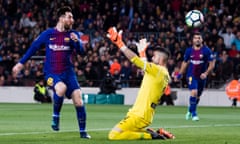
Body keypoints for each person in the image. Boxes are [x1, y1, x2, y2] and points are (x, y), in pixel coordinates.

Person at [12, 6, 91, 139]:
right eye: (69, 17)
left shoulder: (74, 35)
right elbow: (33, 48)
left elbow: (82, 53)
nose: (72, 20)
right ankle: (56, 116)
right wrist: (21, 63)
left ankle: (83, 132)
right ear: (61, 18)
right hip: (51, 73)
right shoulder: (48, 34)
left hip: (68, 73)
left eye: (72, 17)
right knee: (61, 88)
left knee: (78, 100)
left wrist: (77, 43)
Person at [107, 27, 175, 140]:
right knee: (127, 132)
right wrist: (142, 53)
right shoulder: (160, 73)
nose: (152, 57)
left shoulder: (158, 70)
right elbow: (145, 68)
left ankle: (150, 135)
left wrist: (120, 44)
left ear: (162, 59)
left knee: (113, 135)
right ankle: (157, 132)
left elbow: (136, 61)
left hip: (139, 115)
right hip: (143, 114)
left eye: (155, 56)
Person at [176, 32, 215, 121]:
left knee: (198, 96)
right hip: (191, 75)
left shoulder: (206, 50)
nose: (197, 39)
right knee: (194, 92)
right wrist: (180, 74)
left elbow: (212, 64)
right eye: (195, 38)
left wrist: (205, 73)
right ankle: (194, 114)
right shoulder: (189, 50)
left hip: (201, 76)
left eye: (199, 38)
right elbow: (185, 63)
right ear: (193, 40)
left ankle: (190, 110)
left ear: (202, 40)